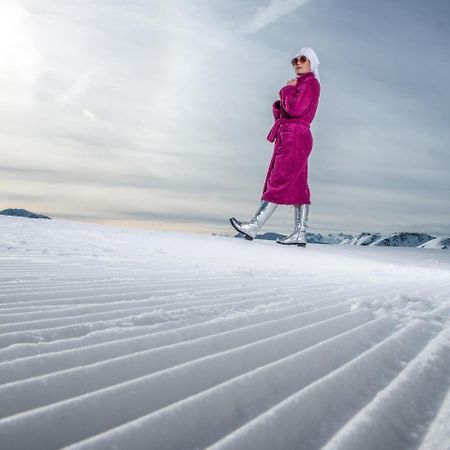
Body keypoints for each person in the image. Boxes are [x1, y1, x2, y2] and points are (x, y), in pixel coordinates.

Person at [229, 47, 321, 247]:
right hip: (295, 135)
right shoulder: (304, 84)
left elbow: (295, 109)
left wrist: (287, 89)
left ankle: (255, 225)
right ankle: (300, 233)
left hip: (294, 136)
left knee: (278, 179)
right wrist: (281, 103)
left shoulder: (310, 82)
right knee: (298, 186)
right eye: (294, 60)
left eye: (303, 59)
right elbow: (288, 111)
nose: (298, 63)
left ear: (311, 62)